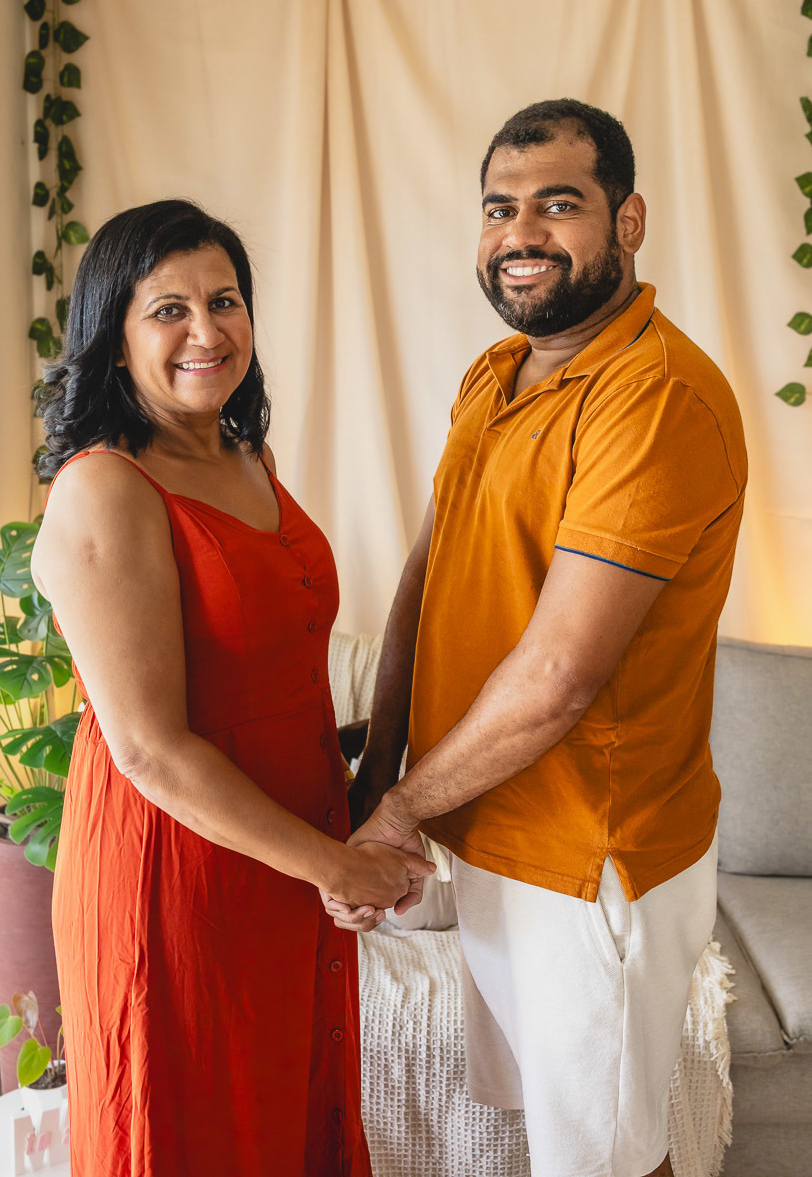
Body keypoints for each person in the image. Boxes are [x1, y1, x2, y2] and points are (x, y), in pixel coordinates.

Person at [325, 100, 747, 1177]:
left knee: (607, 1159)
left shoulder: (652, 397)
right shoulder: (495, 372)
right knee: (551, 1134)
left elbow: (558, 676)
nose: (521, 232)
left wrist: (401, 809)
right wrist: (380, 771)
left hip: (589, 860)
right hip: (492, 834)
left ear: (628, 218)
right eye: (498, 207)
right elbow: (430, 567)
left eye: (557, 204)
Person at [31, 199, 433, 1177]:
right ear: (114, 336)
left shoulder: (245, 454)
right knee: (198, 1126)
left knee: (288, 1112)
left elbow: (255, 669)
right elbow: (149, 747)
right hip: (179, 869)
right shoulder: (106, 486)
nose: (207, 331)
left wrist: (363, 754)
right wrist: (334, 866)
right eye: (168, 308)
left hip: (282, 848)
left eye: (225, 300)